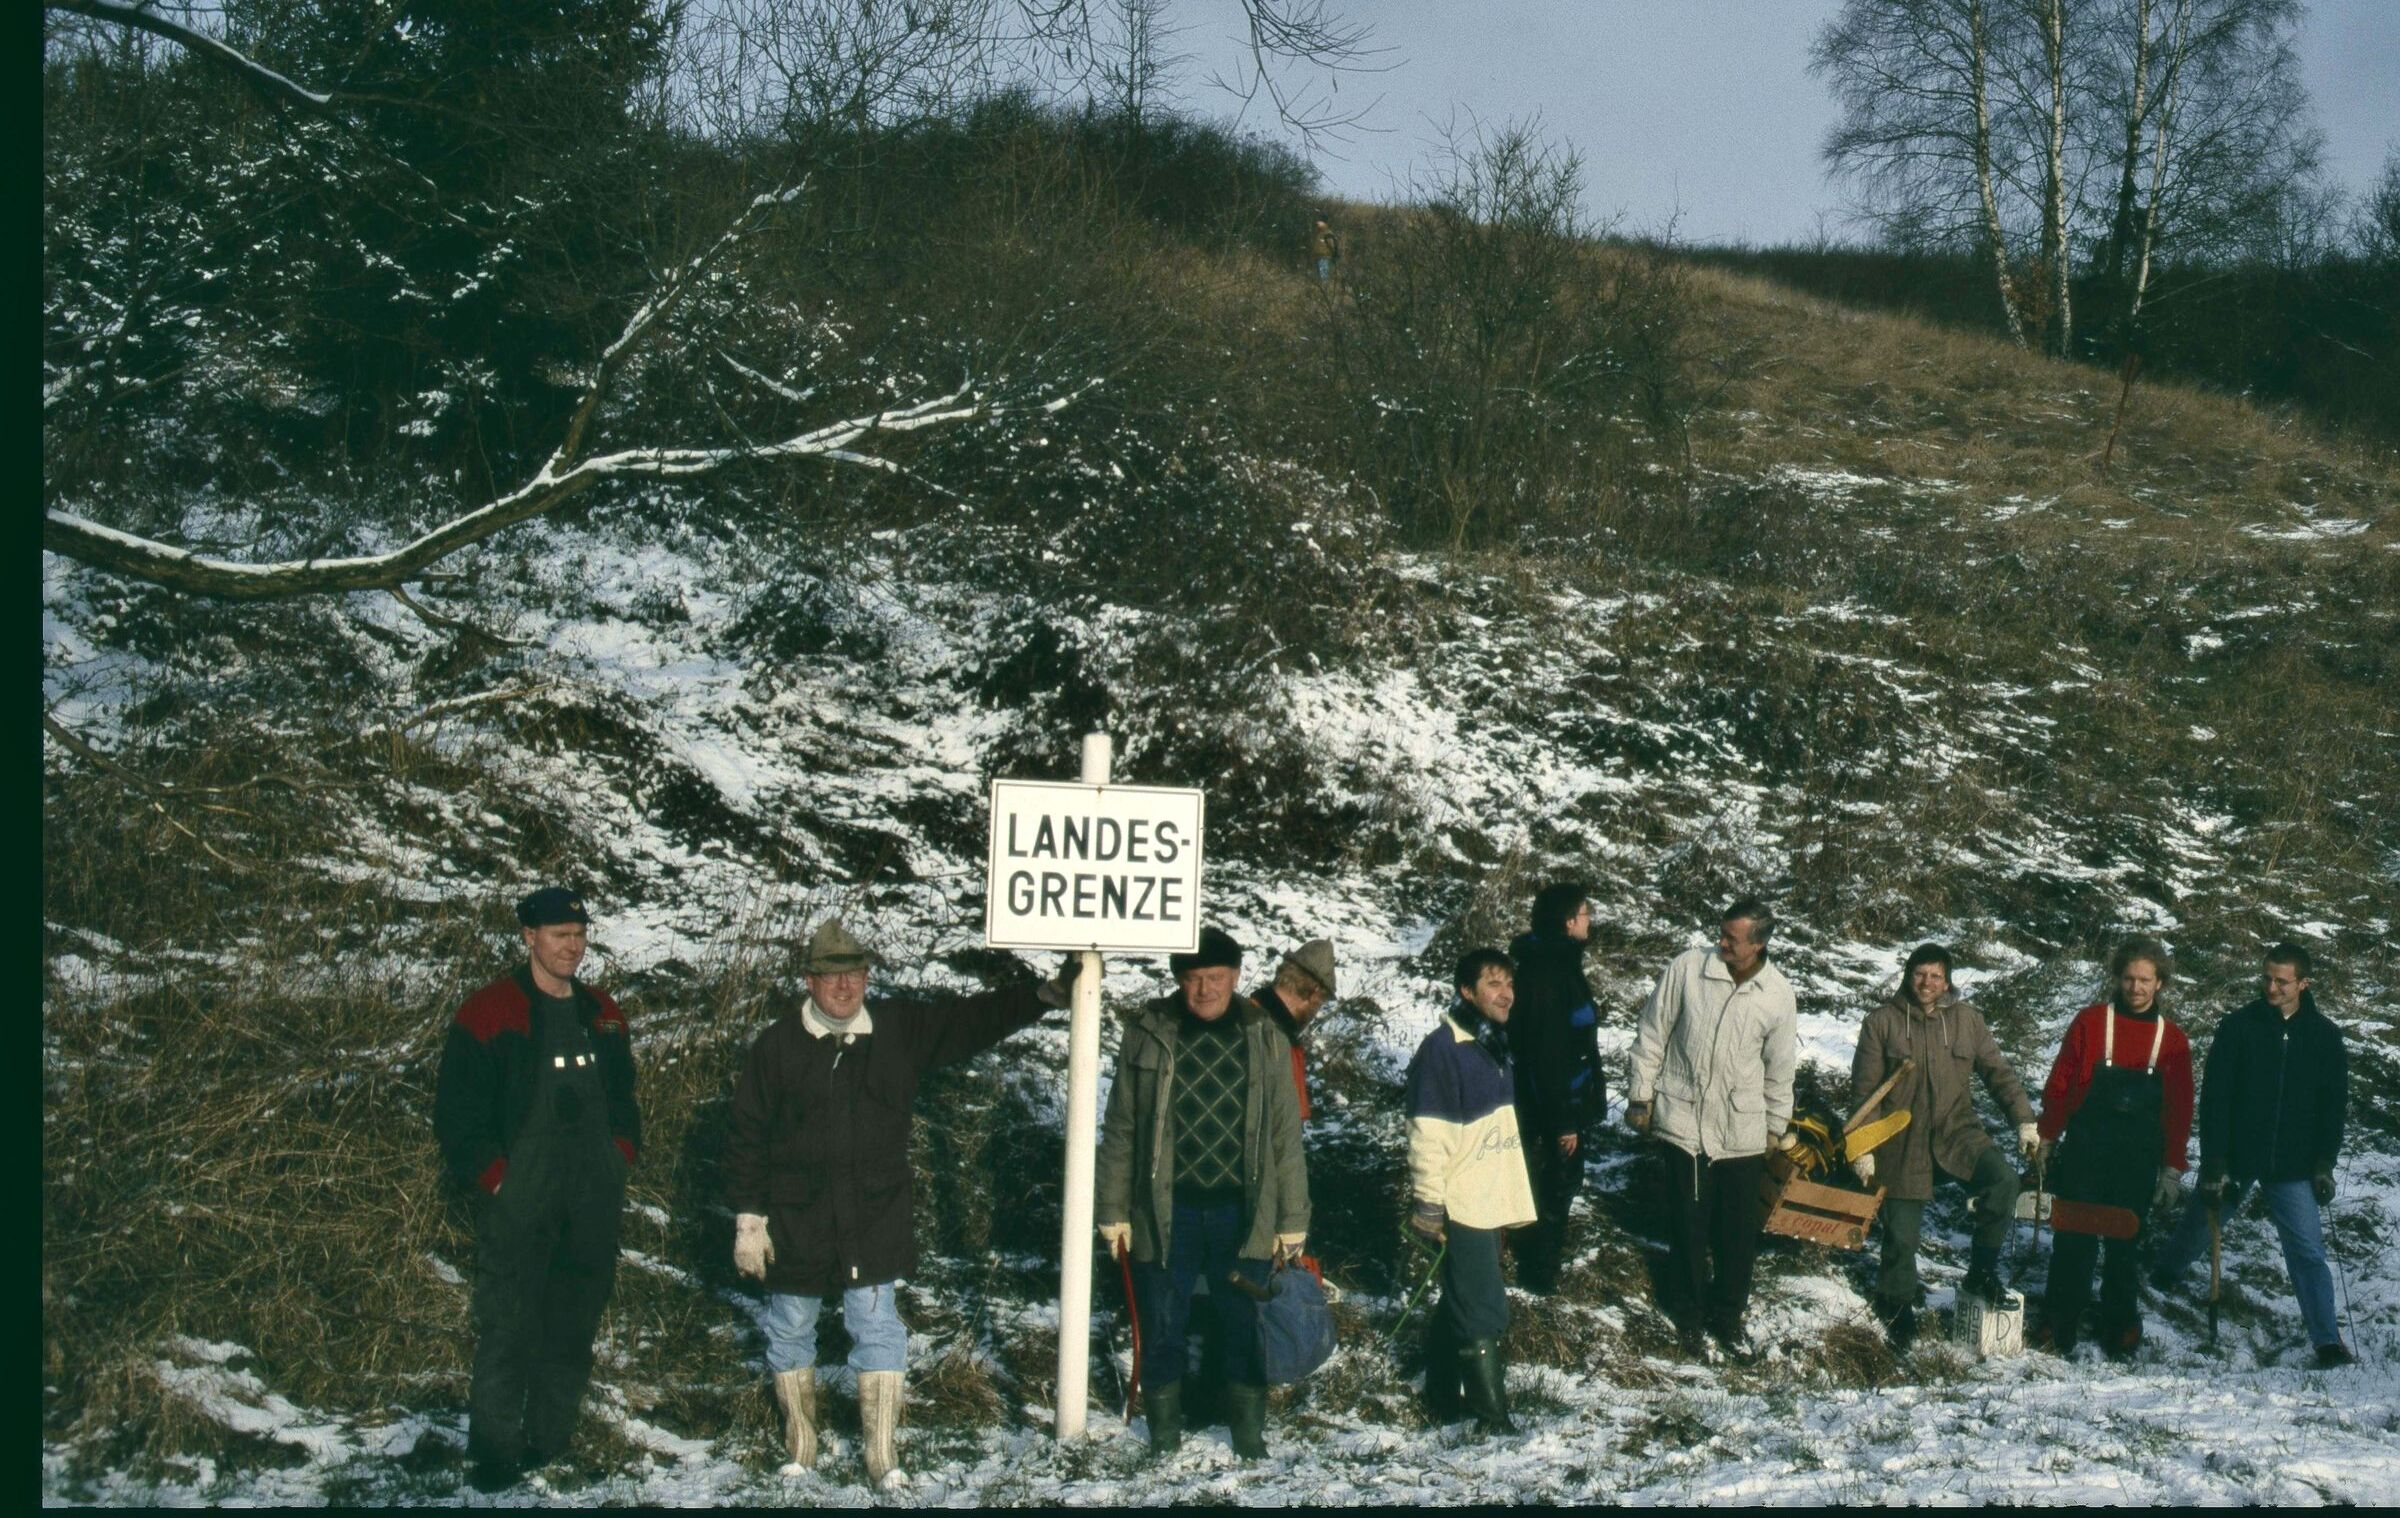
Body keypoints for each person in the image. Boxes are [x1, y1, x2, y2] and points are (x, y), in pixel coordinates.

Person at [722, 919, 1060, 1485]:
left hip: (873, 1215)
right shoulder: (777, 1046)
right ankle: (800, 1446)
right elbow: (746, 1136)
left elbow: (969, 1022)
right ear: (809, 980)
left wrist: (1041, 997)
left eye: (854, 974)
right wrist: (749, 1218)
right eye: (831, 977)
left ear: (866, 977)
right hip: (796, 1216)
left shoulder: (898, 1030)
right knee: (789, 1326)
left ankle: (882, 1457)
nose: (844, 987)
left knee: (877, 1329)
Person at [433, 887, 643, 1492]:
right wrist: (498, 1178)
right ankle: (496, 1451)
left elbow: (625, 1097)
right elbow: (458, 1114)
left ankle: (549, 1440)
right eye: (558, 935)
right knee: (509, 1323)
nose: (572, 947)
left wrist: (619, 1155)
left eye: (579, 935)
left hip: (592, 1197)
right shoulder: (490, 1011)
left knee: (573, 1322)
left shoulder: (603, 1012)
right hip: (522, 1197)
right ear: (529, 937)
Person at [1094, 927, 1309, 1462]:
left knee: (1244, 1323)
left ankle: (1248, 1438)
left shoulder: (1265, 1036)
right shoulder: (1149, 1032)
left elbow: (1285, 1134)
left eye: (1215, 978)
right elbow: (1121, 1127)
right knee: (1164, 1320)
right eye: (1192, 979)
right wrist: (1113, 1209)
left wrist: (1292, 1217)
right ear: (1177, 981)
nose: (1204, 990)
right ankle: (1165, 1438)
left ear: (1235, 978)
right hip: (1167, 1211)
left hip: (1244, 1211)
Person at [2151, 943, 2353, 1366]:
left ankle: (2327, 1342)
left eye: (2282, 981)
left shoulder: (2324, 1036)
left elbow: (2332, 1106)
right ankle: (2160, 1279)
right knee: (2198, 1227)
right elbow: (2217, 1099)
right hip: (2238, 1158)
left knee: (2308, 1253)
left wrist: (2323, 1163)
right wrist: (2215, 1162)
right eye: (2266, 978)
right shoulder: (2238, 1027)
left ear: (2304, 983)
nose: (2271, 987)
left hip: (2294, 1165)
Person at [1624, 898, 1797, 1362]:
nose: (1721, 943)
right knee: (1688, 1224)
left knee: (1737, 1233)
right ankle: (1688, 1314)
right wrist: (1641, 1095)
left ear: (1758, 944)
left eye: (1732, 939)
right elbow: (1652, 1032)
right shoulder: (1688, 968)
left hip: (1742, 1130)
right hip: (1685, 1120)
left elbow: (1780, 1069)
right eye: (1720, 934)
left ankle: (1727, 1317)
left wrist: (1776, 1127)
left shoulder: (1777, 994)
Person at [1849, 943, 2038, 1350]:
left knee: (2003, 1181)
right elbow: (1865, 1093)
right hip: (1902, 1140)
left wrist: (2024, 1121)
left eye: (1936, 976)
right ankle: (1897, 1307)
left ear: (1947, 980)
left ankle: (1981, 1273)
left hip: (1958, 1133)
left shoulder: (1968, 1021)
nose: (1927, 983)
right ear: (1907, 975)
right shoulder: (1881, 1023)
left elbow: (1998, 1073)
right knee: (1901, 1236)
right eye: (1920, 974)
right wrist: (1863, 1146)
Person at [2031, 937, 2194, 1361]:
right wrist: (2047, 1136)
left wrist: (2171, 1169)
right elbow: (2062, 1082)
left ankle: (2119, 1324)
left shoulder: (2172, 1041)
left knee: (2125, 1244)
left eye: (2144, 980)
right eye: (2128, 978)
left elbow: (2179, 1111)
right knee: (2074, 1240)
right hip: (2086, 1150)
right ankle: (2060, 1320)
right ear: (2117, 978)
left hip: (2137, 1159)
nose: (2135, 988)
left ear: (2160, 984)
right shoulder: (2090, 1022)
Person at [1405, 948, 1539, 1436]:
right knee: (1481, 1304)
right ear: (1467, 991)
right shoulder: (1444, 1050)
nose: (1506, 995)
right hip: (1462, 1199)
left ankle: (1441, 1398)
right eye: (1493, 985)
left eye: (1509, 985)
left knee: (1460, 1298)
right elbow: (1428, 1133)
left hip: (1489, 1194)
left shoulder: (1494, 1045)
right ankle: (1491, 1418)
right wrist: (1428, 1203)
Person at [1507, 883, 1605, 1293]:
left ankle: (1533, 1259)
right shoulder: (1551, 972)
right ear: (1569, 923)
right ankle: (1539, 1272)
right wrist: (1565, 1121)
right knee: (1554, 1186)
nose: (1590, 922)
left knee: (1548, 1183)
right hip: (1552, 1107)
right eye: (1585, 915)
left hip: (1552, 1100)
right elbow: (1549, 1054)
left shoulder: (1552, 962)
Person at [1309, 217, 1339, 282]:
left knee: (1324, 277)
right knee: (1318, 278)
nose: (1317, 223)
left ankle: (1325, 290)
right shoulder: (1319, 233)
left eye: (1319, 222)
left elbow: (1332, 246)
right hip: (1318, 257)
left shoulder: (1327, 233)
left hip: (1324, 257)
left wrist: (1333, 256)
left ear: (1324, 223)